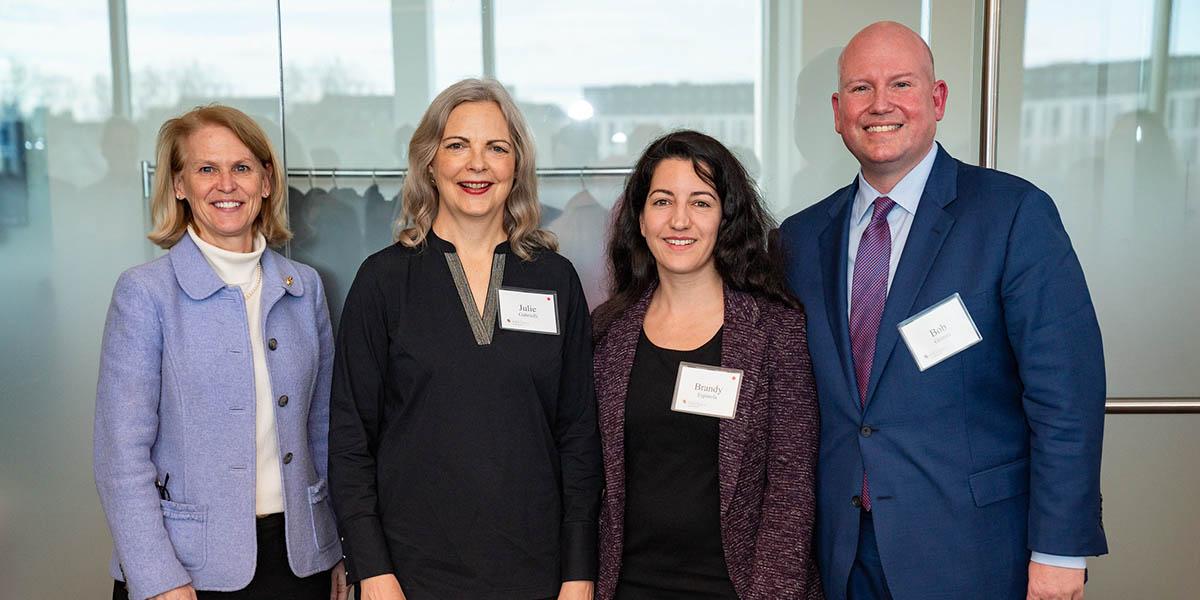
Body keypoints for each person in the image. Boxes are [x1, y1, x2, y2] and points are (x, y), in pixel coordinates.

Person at [778, 21, 1108, 600]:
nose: (880, 104)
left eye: (901, 84)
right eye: (860, 88)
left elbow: (1066, 398)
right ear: (837, 110)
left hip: (975, 551)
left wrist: (1059, 550)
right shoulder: (800, 240)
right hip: (840, 555)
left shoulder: (1012, 216)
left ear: (938, 99)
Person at [328, 79, 602, 600]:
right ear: (430, 162)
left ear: (515, 166)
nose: (477, 164)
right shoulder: (383, 281)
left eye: (496, 148)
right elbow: (349, 441)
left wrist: (578, 571)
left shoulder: (556, 279)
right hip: (409, 576)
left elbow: (579, 437)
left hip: (538, 574)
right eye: (458, 146)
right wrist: (373, 570)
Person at [94, 105, 347, 600]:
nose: (226, 184)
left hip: (299, 563)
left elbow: (323, 432)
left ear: (267, 182)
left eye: (242, 167)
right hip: (184, 570)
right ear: (180, 185)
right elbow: (119, 457)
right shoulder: (145, 293)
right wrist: (160, 578)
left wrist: (335, 546)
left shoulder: (305, 288)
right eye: (207, 168)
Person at [591, 130, 823, 600]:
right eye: (662, 202)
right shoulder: (607, 333)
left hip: (738, 589)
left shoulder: (775, 329)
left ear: (725, 217)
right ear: (639, 218)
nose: (679, 221)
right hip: (627, 587)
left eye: (700, 202)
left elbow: (791, 490)